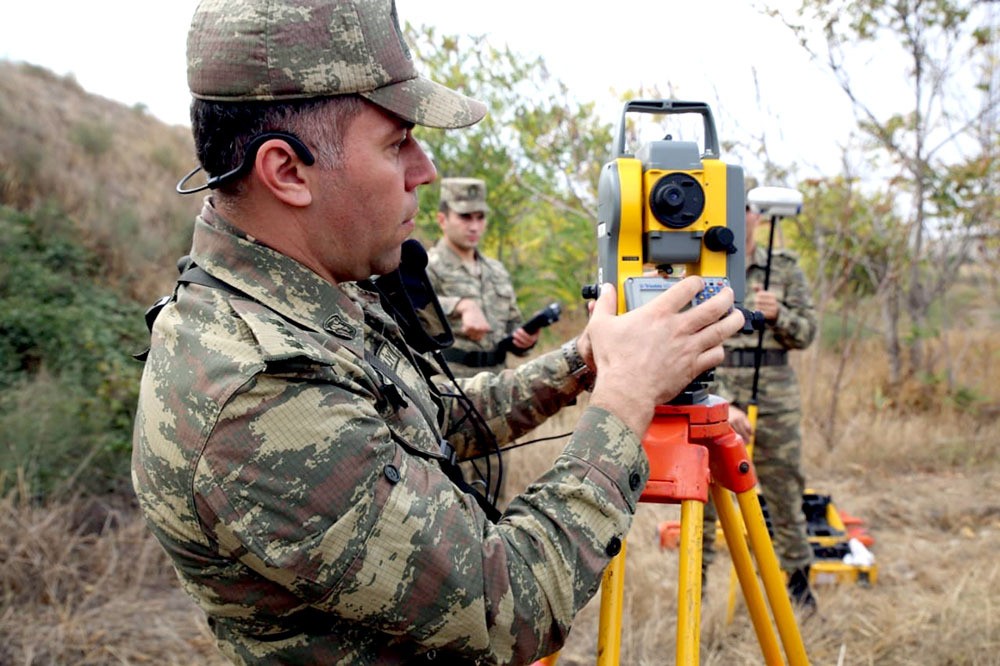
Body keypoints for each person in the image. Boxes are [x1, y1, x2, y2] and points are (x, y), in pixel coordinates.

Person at [131, 1, 745, 664]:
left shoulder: (304, 297)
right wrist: (625, 400)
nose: (425, 171)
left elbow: (433, 421)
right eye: (397, 144)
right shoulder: (258, 394)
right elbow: (508, 604)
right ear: (287, 171)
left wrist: (583, 363)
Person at [701, 196, 819, 612]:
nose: (742, 215)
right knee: (704, 495)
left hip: (775, 395)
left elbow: (807, 333)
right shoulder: (703, 264)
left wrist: (780, 314)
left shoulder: (783, 267)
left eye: (749, 208)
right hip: (715, 387)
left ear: (759, 216)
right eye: (735, 206)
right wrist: (721, 400)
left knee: (785, 487)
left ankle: (799, 586)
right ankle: (694, 596)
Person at [427, 177, 539, 378]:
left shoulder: (496, 270)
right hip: (451, 386)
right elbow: (410, 309)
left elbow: (512, 325)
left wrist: (525, 340)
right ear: (442, 220)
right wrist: (460, 305)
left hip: (498, 385)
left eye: (480, 217)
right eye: (465, 217)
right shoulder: (426, 266)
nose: (474, 226)